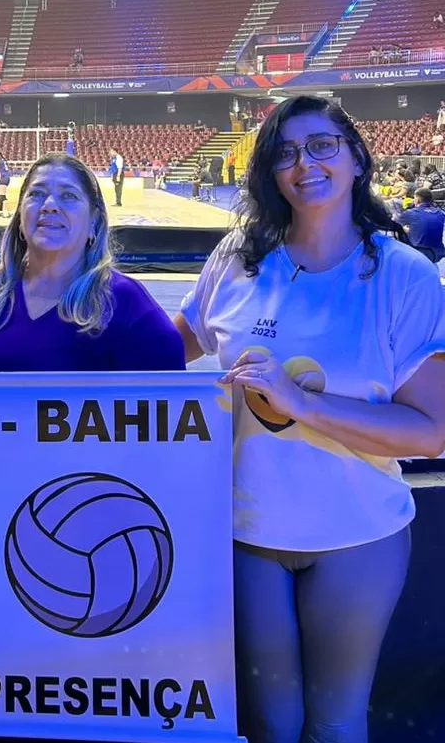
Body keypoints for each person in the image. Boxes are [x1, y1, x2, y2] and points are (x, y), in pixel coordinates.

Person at [173, 96, 445, 743]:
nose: (304, 163)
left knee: (334, 722)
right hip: (247, 529)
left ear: (355, 157)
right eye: (285, 152)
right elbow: (156, 348)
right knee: (270, 722)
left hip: (357, 533)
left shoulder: (403, 276)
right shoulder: (237, 259)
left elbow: (433, 428)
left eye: (321, 144)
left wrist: (304, 404)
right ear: (270, 171)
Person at [0, 153, 184, 371]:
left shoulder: (127, 302)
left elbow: (175, 403)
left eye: (68, 196)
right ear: (20, 218)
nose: (49, 206)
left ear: (94, 222)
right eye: (36, 194)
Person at [397, 187, 445, 264]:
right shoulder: (440, 212)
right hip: (439, 252)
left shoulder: (411, 213)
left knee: (398, 230)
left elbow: (394, 223)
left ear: (416, 200)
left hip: (420, 252)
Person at [0, 150, 10, 218]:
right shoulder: (3, 159)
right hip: (5, 177)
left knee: (2, 196)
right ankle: (0, 211)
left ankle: (7, 212)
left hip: (3, 178)